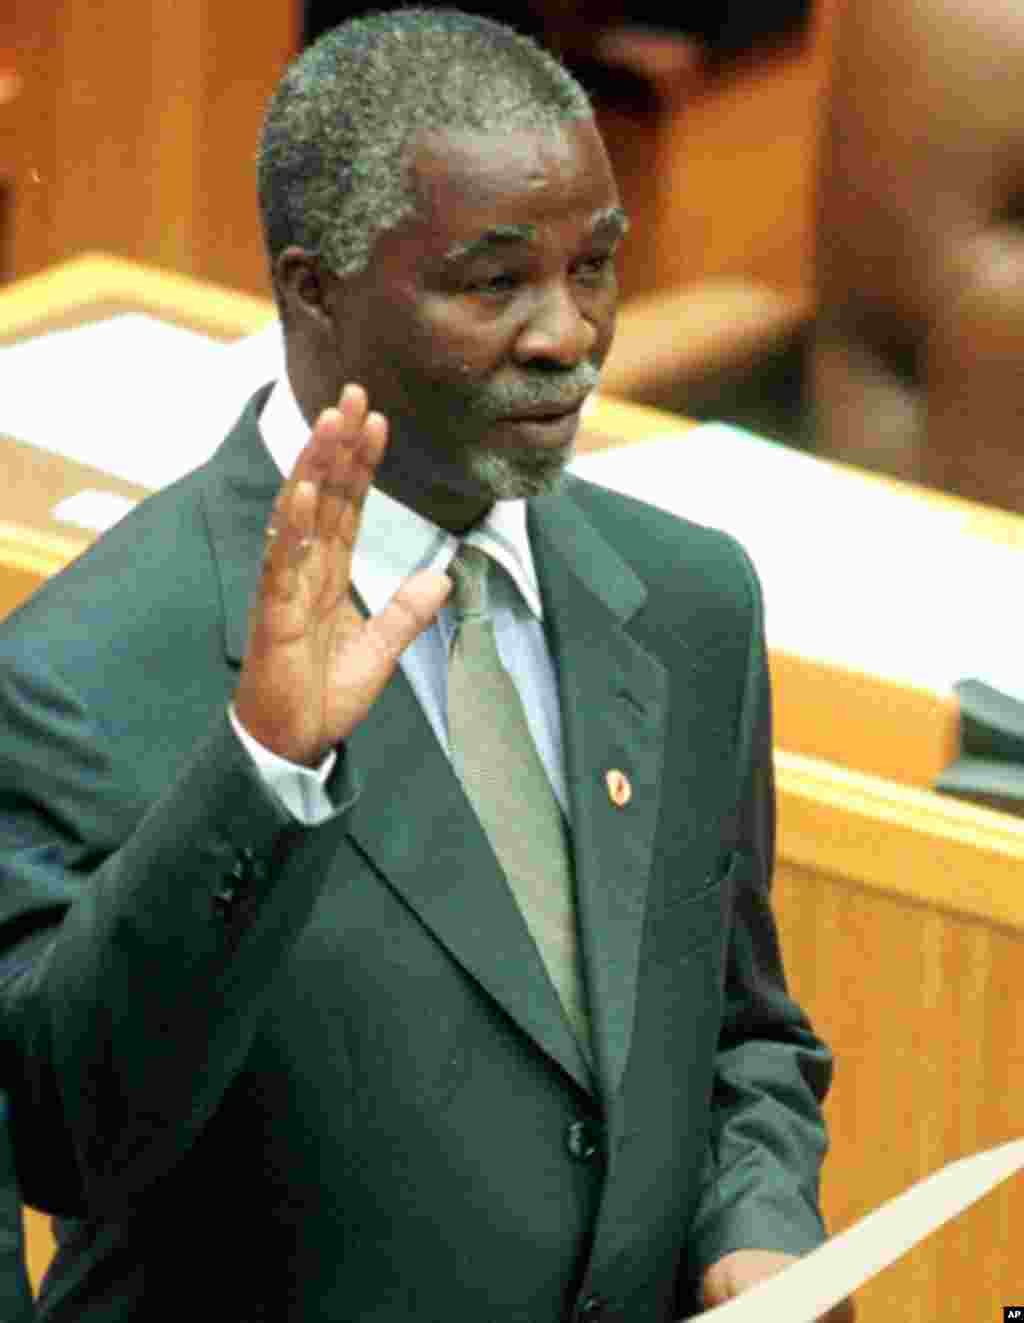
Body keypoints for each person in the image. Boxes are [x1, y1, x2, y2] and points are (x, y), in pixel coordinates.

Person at [0, 10, 844, 1319]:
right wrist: (263, 772)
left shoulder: (689, 604)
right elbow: (63, 1138)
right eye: (493, 283)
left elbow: (736, 1034)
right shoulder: (84, 665)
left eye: (596, 266)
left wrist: (759, 1233)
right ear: (313, 290)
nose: (569, 333)